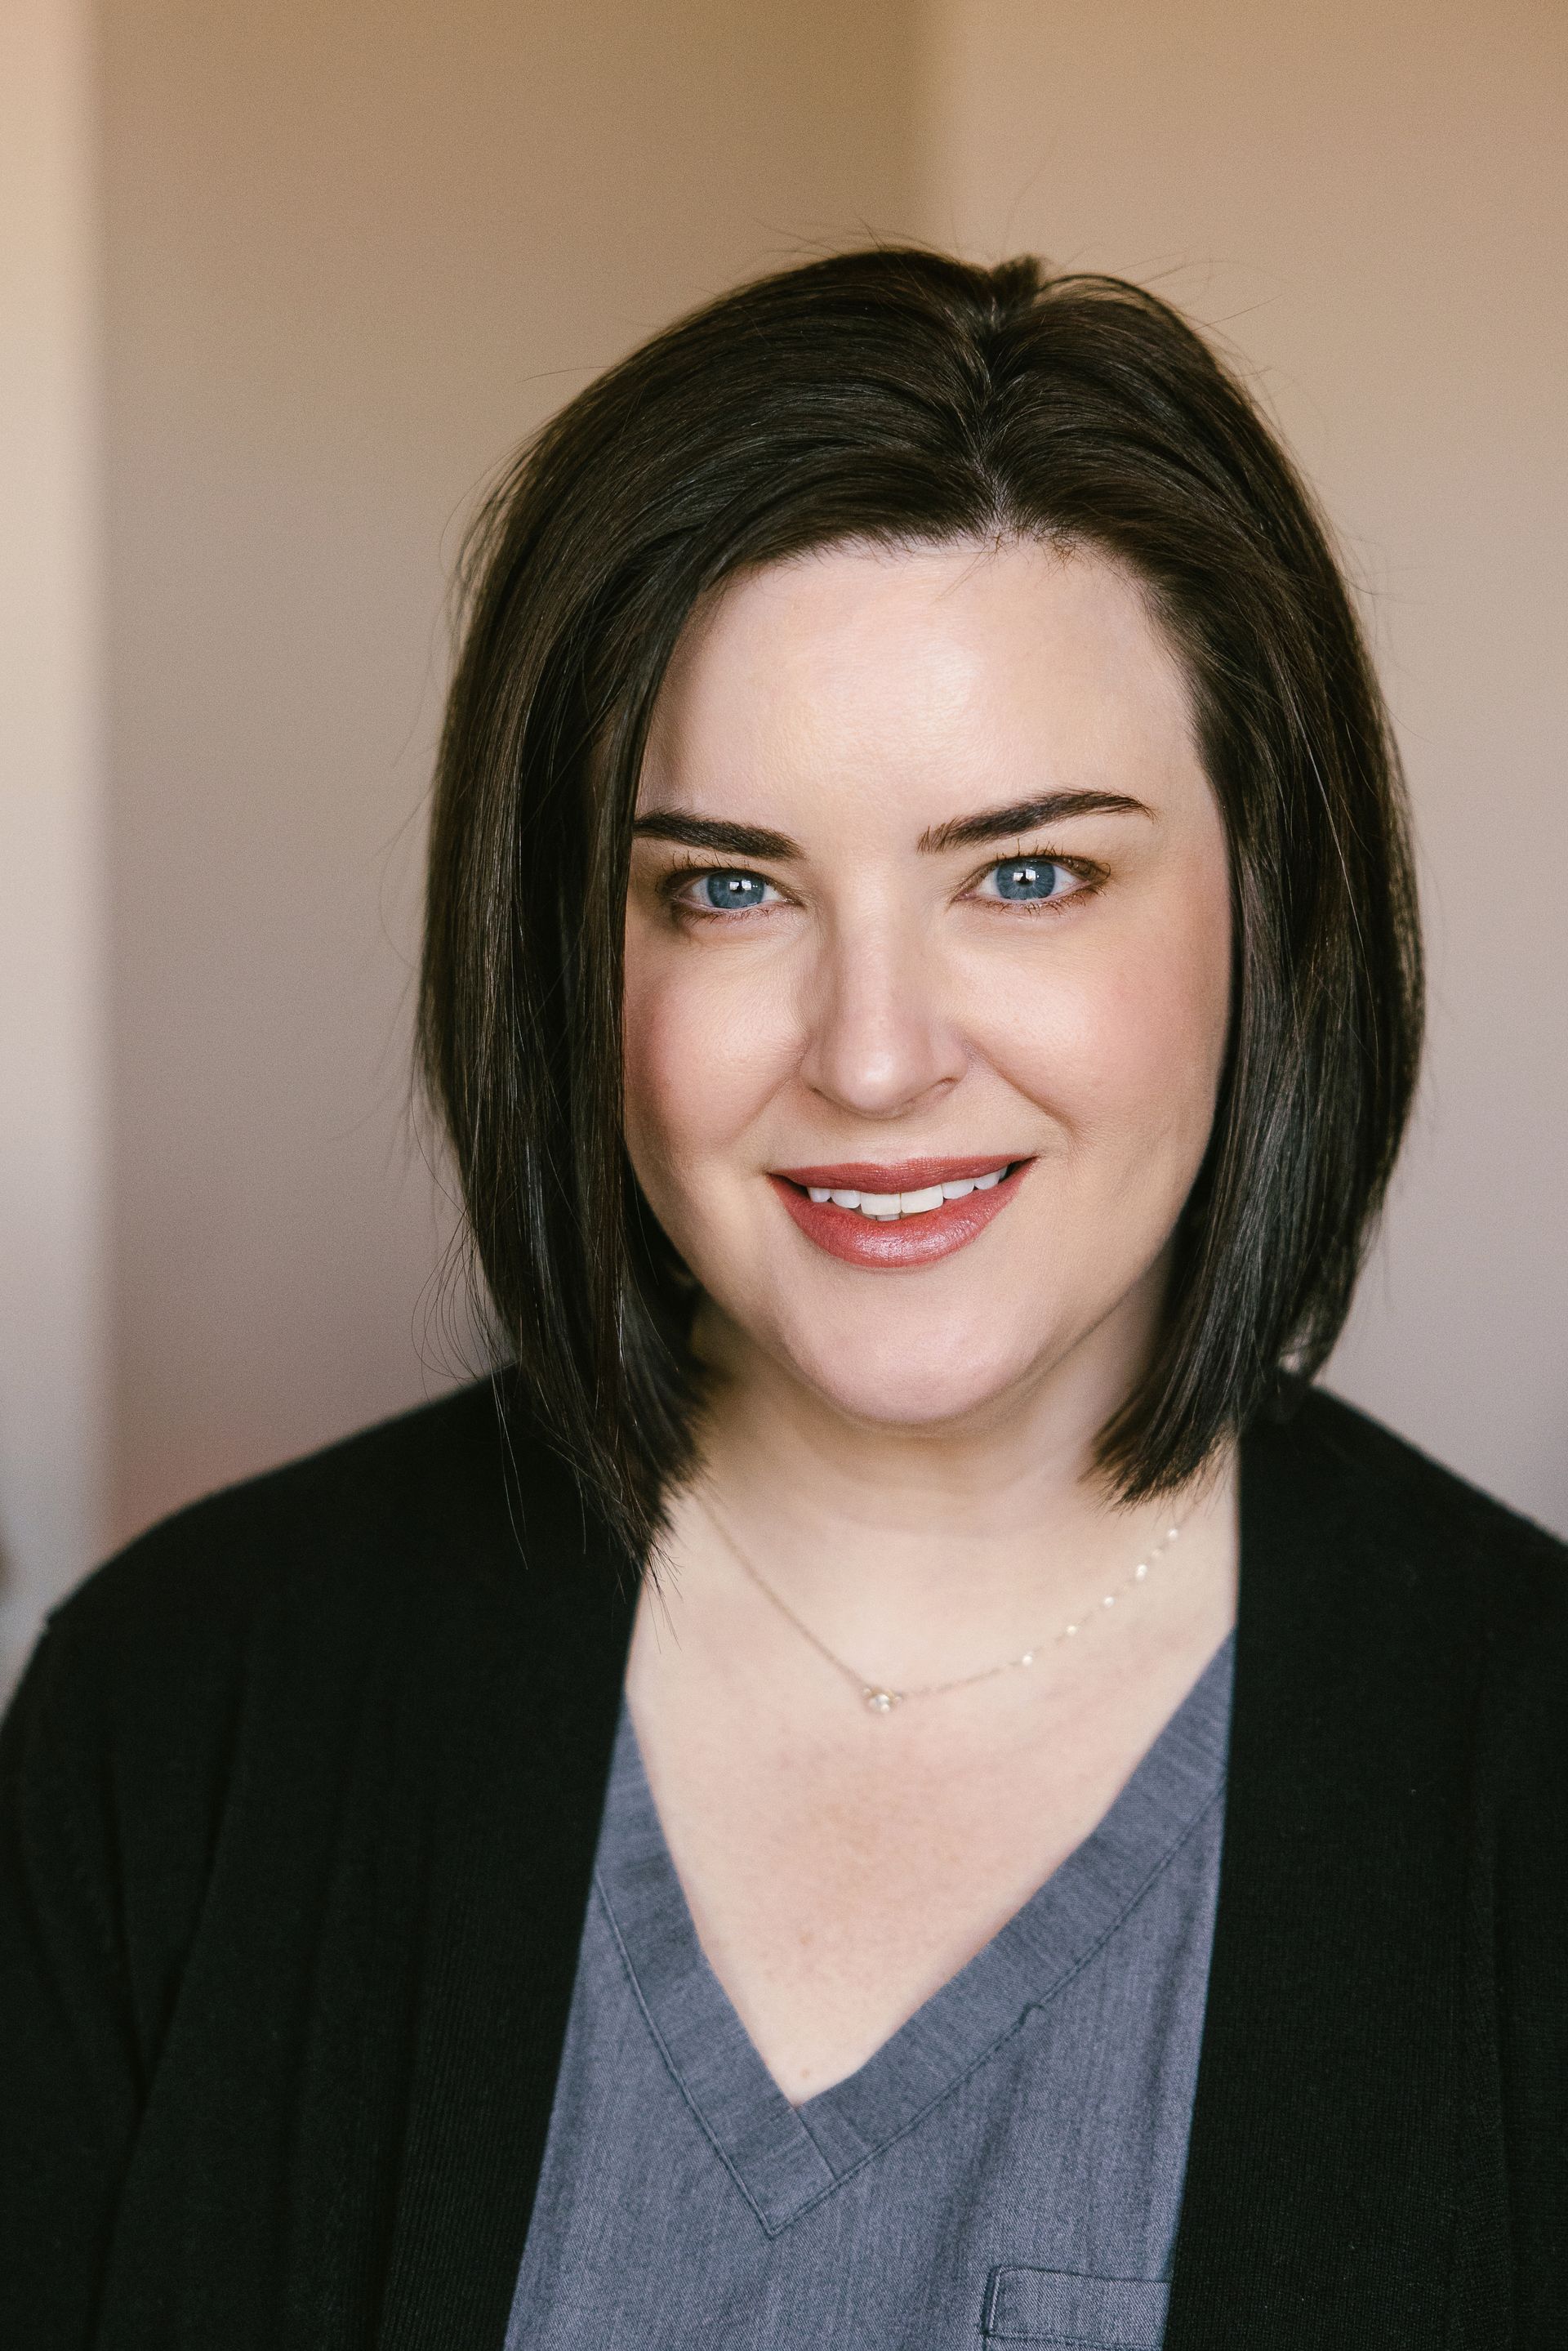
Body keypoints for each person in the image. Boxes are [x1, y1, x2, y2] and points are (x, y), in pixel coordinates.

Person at [1, 248, 1562, 2351]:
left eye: (1027, 871)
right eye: (726, 886)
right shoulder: (177, 1719)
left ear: (1271, 898)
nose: (876, 1049)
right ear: (571, 946)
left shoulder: (1528, 1786)